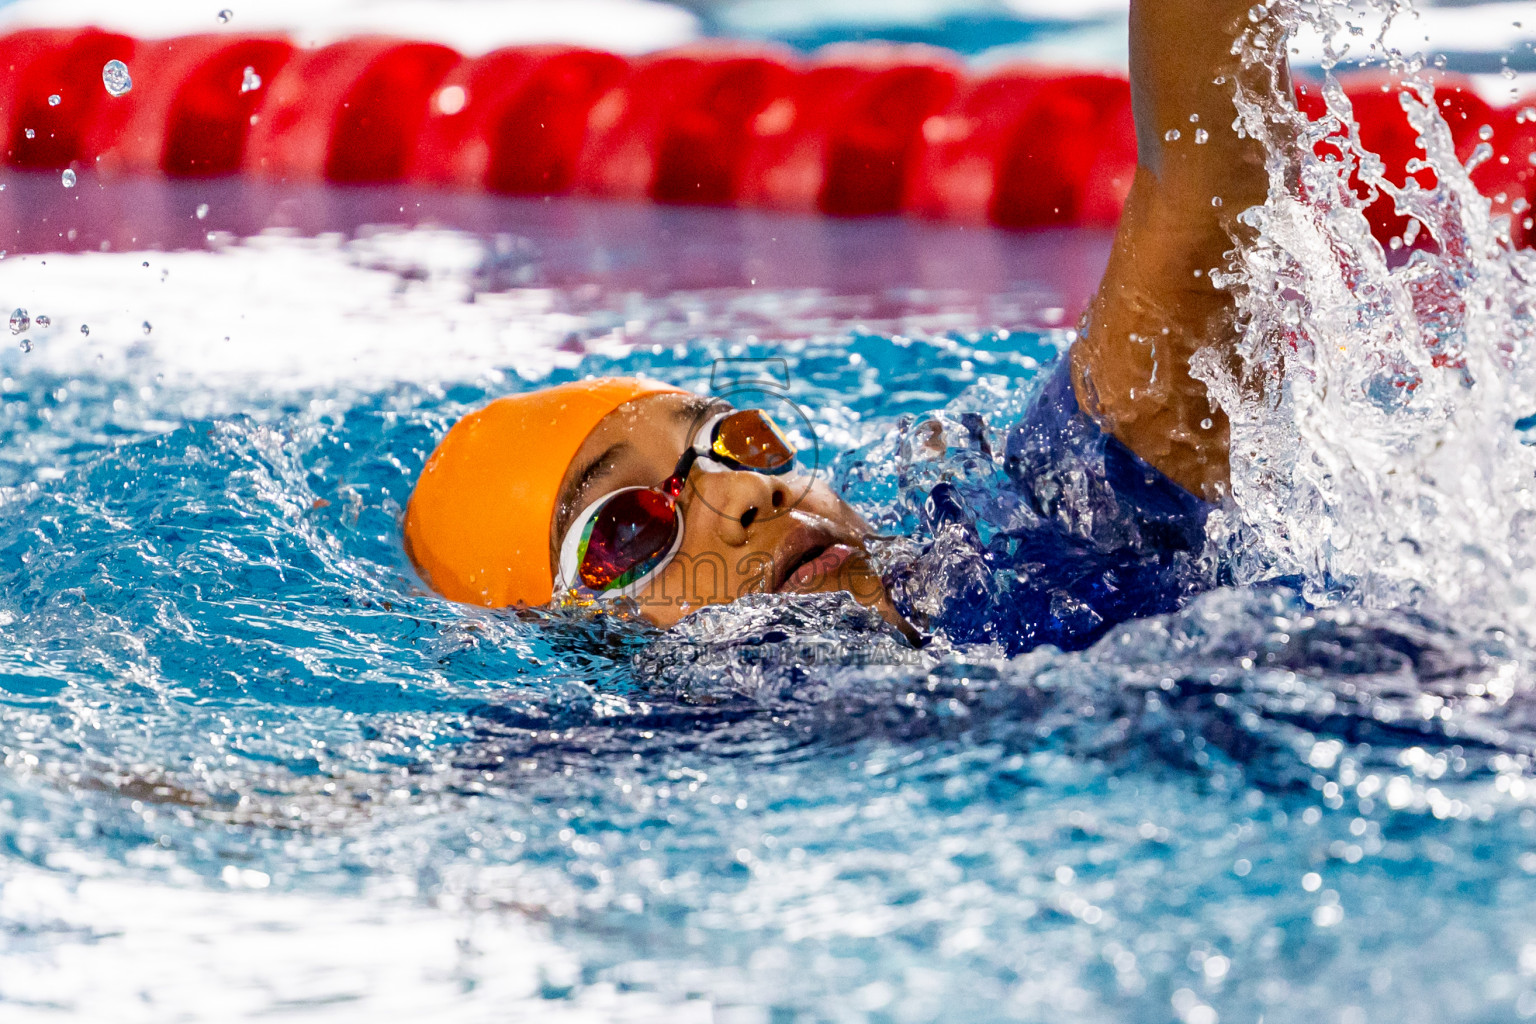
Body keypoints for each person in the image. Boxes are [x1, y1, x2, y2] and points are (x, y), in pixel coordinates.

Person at [402, 0, 1288, 653]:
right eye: (631, 529)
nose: (751, 496)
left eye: (737, 441)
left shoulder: (1060, 520)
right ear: (563, 641)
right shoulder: (647, 761)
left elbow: (1207, 193)